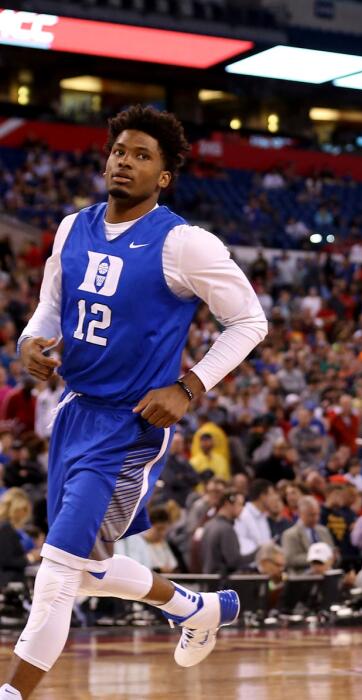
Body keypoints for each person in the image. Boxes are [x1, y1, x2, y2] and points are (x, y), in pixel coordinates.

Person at [6, 105, 267, 698]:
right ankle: (194, 608)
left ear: (164, 175)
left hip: (129, 427)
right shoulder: (73, 227)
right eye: (120, 150)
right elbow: (50, 307)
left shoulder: (184, 243)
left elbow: (250, 321)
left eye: (142, 155)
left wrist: (188, 386)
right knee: (85, 569)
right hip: (73, 414)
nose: (125, 161)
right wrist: (28, 342)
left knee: (56, 572)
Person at [282, 496, 336, 574]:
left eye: (317, 514)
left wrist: (334, 557)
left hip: (327, 574)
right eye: (311, 515)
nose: (316, 518)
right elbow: (290, 559)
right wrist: (318, 559)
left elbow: (331, 554)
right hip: (303, 577)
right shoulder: (290, 535)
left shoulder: (324, 531)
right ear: (300, 514)